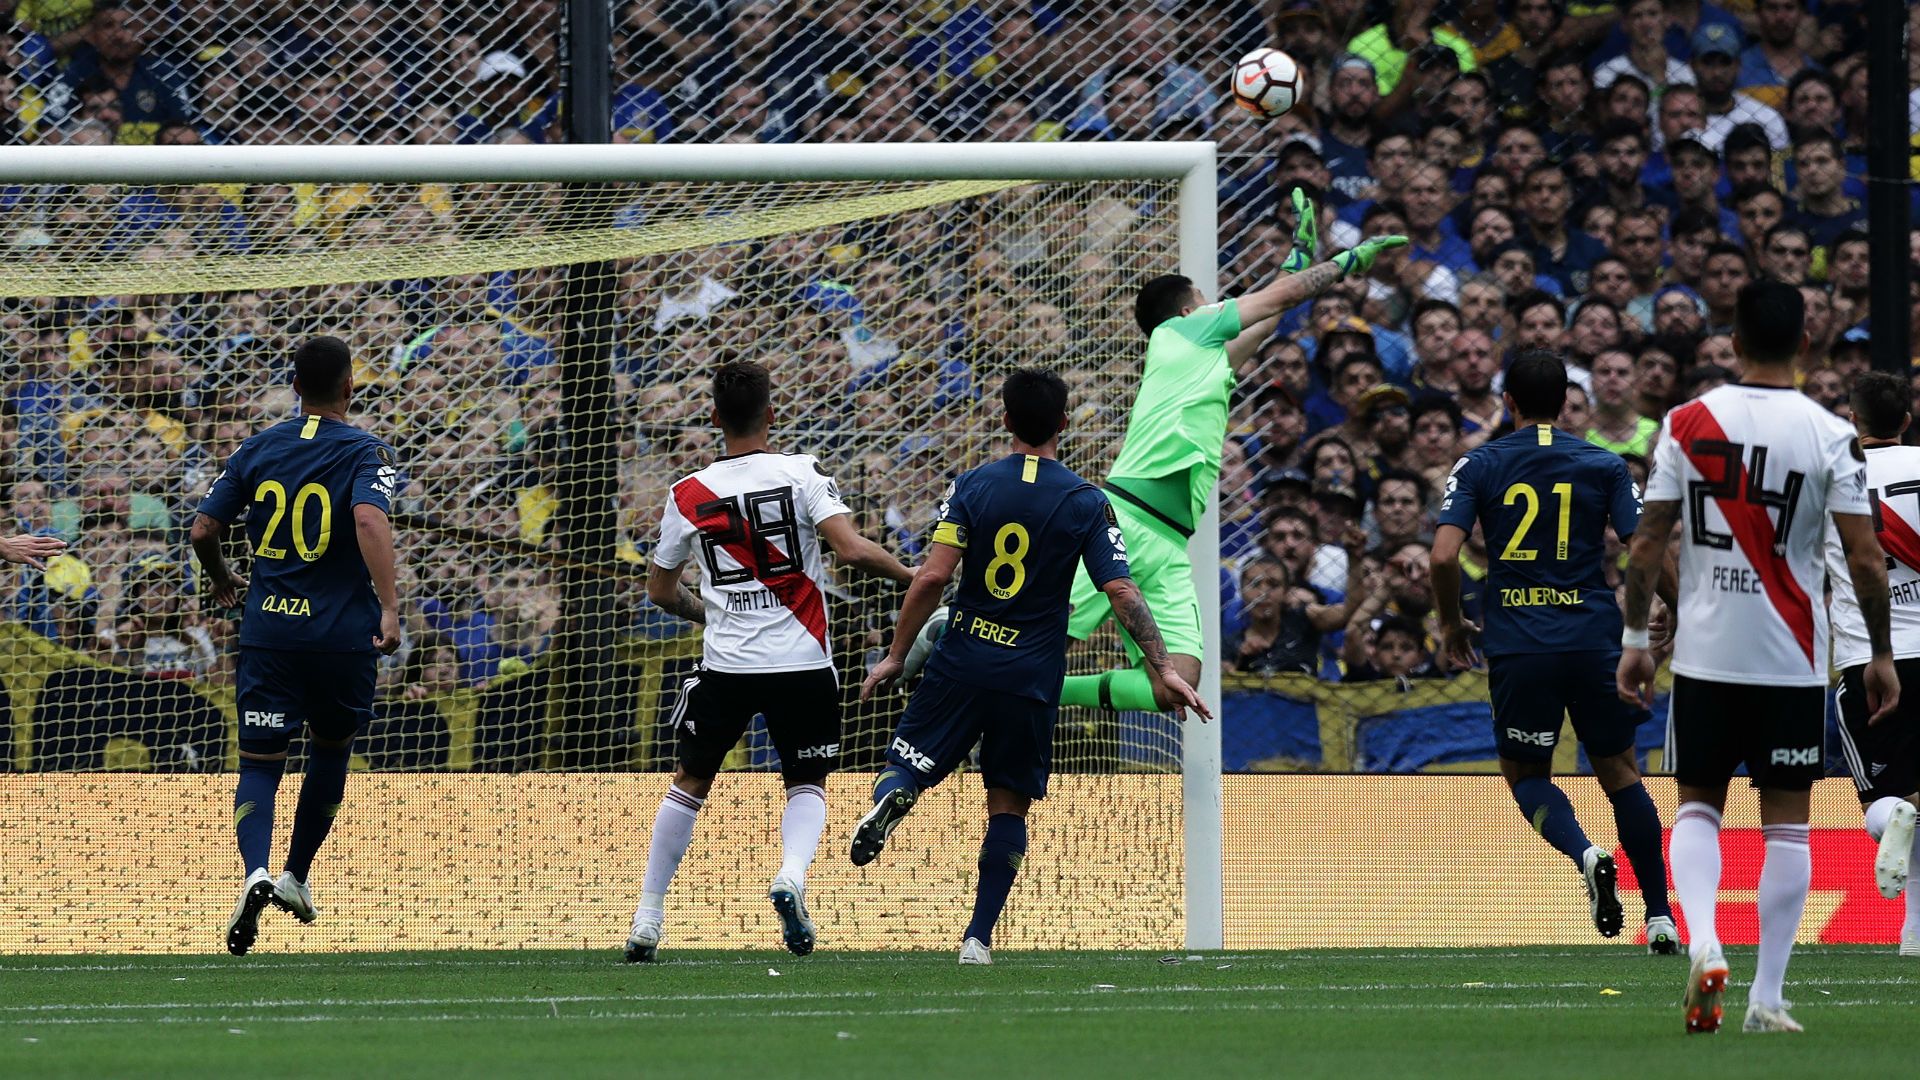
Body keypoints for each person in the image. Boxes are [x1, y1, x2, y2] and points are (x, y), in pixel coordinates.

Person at [1618, 280, 1900, 1035]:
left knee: (1699, 806)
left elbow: (1647, 544)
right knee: (1786, 825)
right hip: (1793, 659)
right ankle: (1767, 999)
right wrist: (1877, 652)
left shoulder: (1686, 421)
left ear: (1732, 341)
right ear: (1805, 347)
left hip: (1708, 655)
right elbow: (1866, 559)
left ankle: (1705, 940)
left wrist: (1637, 643)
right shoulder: (1829, 434)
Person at [855, 368, 1207, 965]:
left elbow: (935, 576)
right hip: (1031, 674)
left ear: (1005, 420)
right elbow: (1122, 592)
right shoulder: (1088, 502)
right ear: (1064, 425)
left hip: (962, 657)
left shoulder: (971, 485)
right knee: (1008, 803)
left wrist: (895, 654)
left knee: (907, 764)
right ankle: (977, 939)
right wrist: (1162, 666)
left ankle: (898, 792)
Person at [1055, 190, 1406, 717]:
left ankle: (1046, 692)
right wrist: (1347, 262)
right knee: (1039, 635)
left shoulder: (1205, 360)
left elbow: (1267, 323)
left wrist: (1295, 266)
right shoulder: (1179, 330)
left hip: (1170, 541)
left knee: (1173, 683)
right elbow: (1274, 303)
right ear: (1190, 309)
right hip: (1124, 519)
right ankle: (967, 663)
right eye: (1207, 298)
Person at [624, 360, 915, 963]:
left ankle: (648, 917)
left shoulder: (687, 494)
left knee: (690, 782)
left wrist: (714, 612)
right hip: (802, 661)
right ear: (772, 414)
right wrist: (914, 575)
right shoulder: (802, 472)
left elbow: (658, 591)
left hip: (727, 664)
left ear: (712, 420)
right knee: (806, 781)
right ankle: (791, 877)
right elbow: (852, 550)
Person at [1430, 351, 1676, 952]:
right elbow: (1641, 544)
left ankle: (1585, 852)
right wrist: (1682, 605)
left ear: (1507, 400)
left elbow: (1441, 557)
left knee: (1527, 775)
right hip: (1594, 640)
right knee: (1620, 772)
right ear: (1566, 400)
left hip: (1518, 646)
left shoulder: (1480, 463)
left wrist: (1452, 625)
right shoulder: (1604, 464)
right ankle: (1661, 915)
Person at [190, 336, 405, 956]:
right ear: (350, 388)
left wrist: (223, 578)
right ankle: (295, 876)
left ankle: (255, 870)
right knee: (331, 748)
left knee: (260, 763)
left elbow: (204, 527)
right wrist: (390, 607)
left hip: (270, 633)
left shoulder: (257, 447)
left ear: (293, 385)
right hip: (341, 636)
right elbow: (369, 519)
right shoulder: (368, 450)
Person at [1824, 371, 1920, 957]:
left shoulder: (1834, 477)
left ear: (1852, 421)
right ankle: (1914, 936)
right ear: (1907, 420)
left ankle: (1892, 822)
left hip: (1871, 658)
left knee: (1885, 803)